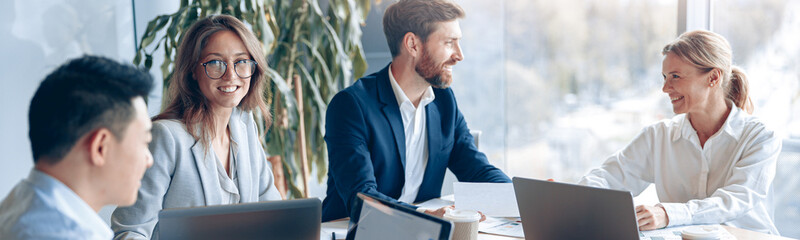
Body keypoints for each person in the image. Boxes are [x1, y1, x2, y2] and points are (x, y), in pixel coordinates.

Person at [323, 0, 511, 222]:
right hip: (354, 230)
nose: (459, 55)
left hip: (424, 232)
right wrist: (425, 216)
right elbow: (362, 199)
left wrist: (522, 196)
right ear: (412, 44)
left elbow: (477, 170)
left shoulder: (444, 101)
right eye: (449, 43)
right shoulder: (351, 106)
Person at [579, 30, 780, 234]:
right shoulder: (658, 136)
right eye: (665, 77)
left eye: (675, 76)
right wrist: (567, 197)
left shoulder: (760, 137)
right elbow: (608, 177)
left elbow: (733, 200)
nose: (666, 88)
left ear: (713, 78)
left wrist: (666, 214)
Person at [111, 15, 282, 239]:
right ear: (192, 70)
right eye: (215, 63)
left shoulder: (245, 126)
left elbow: (276, 214)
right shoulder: (167, 137)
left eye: (241, 62)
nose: (231, 75)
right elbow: (129, 231)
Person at [0, 55, 154, 239]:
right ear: (100, 147)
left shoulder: (17, 207)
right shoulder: (66, 234)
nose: (149, 160)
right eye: (145, 142)